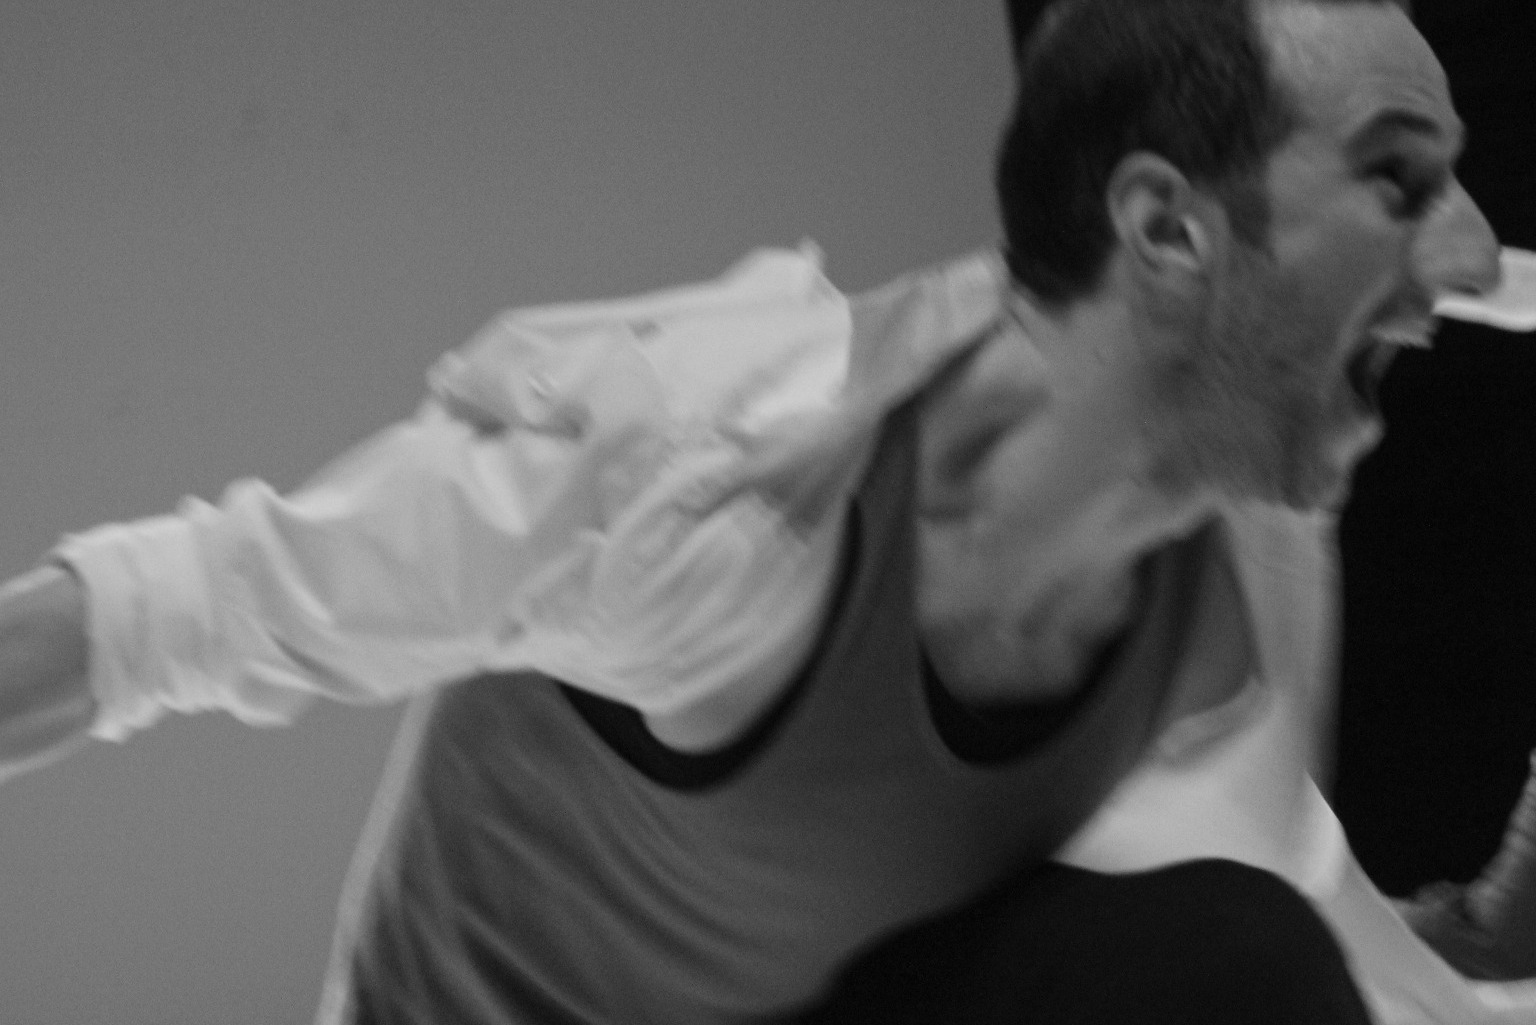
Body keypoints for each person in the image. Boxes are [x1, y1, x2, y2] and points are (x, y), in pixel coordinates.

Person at [0, 0, 1523, 1021]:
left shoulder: (1227, 606)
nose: (1469, 256)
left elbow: (1305, 959)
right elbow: (168, 614)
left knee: (1230, 964)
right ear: (1165, 225)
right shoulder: (708, 471)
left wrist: (1487, 954)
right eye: (1399, 183)